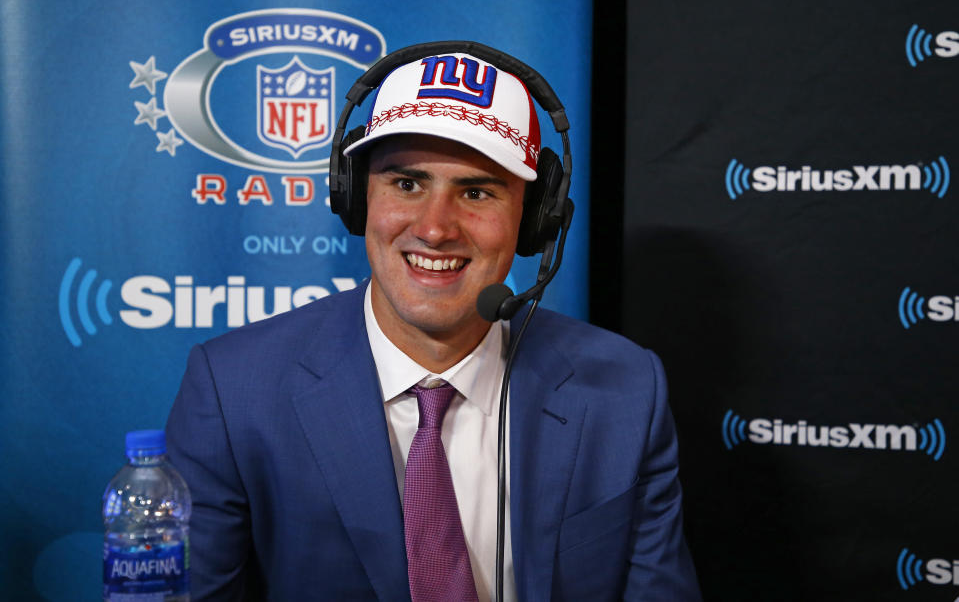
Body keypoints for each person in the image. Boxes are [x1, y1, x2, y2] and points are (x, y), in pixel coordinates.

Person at [165, 44, 701, 601]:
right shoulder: (232, 391)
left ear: (535, 218)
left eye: (476, 192)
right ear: (356, 197)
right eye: (407, 184)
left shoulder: (625, 390)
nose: (436, 228)